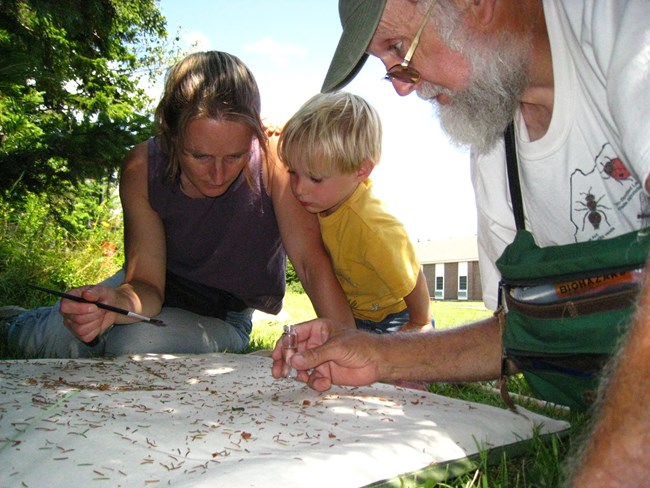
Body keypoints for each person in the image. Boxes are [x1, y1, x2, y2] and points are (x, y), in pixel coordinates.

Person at [271, 1, 650, 485]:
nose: (402, 86)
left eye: (398, 48)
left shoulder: (620, 20)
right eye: (386, 66)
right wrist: (376, 353)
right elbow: (512, 332)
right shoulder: (494, 151)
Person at [6, 50, 353, 358]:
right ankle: (15, 322)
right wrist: (116, 305)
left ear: (254, 134)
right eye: (199, 155)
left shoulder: (276, 162)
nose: (218, 175)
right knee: (51, 338)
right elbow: (147, 284)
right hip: (151, 289)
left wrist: (351, 347)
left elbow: (310, 263)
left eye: (235, 156)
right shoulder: (142, 167)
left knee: (133, 347)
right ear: (170, 135)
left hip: (223, 315)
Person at [277, 91, 433, 334]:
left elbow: (412, 277)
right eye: (293, 172)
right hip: (357, 315)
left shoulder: (372, 227)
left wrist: (420, 322)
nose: (299, 189)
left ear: (361, 171)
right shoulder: (325, 199)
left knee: (388, 370)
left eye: (315, 178)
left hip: (394, 319)